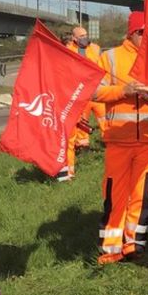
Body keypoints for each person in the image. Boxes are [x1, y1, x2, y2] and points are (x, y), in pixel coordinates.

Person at [92, 11, 148, 264]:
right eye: (143, 34)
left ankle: (134, 245)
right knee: (115, 194)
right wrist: (123, 90)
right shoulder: (109, 58)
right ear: (133, 33)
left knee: (143, 195)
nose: (147, 39)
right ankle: (111, 248)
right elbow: (95, 92)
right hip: (119, 140)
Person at [57, 26, 104, 181]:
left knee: (105, 121)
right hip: (79, 95)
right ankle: (78, 156)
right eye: (81, 36)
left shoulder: (96, 49)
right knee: (79, 127)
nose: (85, 37)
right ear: (74, 38)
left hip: (97, 92)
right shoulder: (68, 50)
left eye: (86, 35)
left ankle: (111, 147)